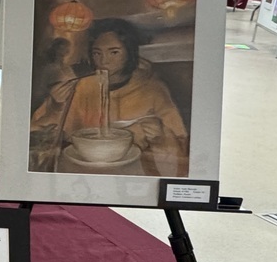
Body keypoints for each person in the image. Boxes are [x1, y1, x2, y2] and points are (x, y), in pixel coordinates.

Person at [30, 18, 189, 176]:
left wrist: (161, 137)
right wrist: (56, 107)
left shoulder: (153, 89)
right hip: (79, 174)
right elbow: (37, 133)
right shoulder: (79, 87)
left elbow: (182, 144)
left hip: (134, 175)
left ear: (129, 52)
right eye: (97, 53)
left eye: (114, 52)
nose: (104, 60)